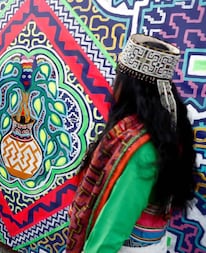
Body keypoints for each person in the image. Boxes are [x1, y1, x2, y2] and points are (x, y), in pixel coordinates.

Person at [66, 34, 196, 253]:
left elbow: (114, 224)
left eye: (118, 78)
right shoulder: (171, 126)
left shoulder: (140, 147)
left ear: (129, 87)